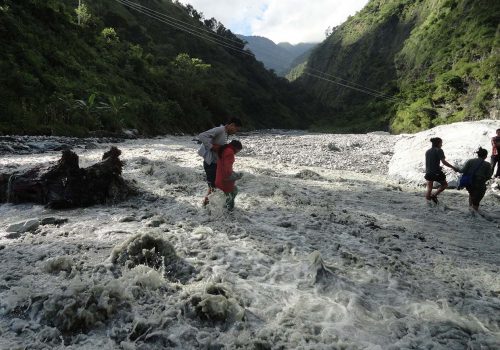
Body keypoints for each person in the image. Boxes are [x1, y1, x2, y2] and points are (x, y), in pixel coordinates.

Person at [197, 118, 242, 206]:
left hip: (215, 163)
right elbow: (201, 136)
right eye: (236, 129)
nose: (235, 132)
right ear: (231, 125)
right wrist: (211, 146)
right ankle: (205, 207)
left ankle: (210, 207)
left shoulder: (225, 133)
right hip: (210, 163)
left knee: (214, 187)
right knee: (212, 188)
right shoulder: (220, 130)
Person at [424, 137, 459, 203]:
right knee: (444, 185)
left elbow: (430, 162)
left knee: (429, 189)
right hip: (436, 173)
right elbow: (444, 162)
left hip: (428, 173)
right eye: (441, 143)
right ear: (438, 143)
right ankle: (434, 195)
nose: (441, 145)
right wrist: (453, 167)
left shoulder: (427, 151)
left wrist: (438, 166)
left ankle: (427, 204)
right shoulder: (439, 150)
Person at [460, 147, 493, 211]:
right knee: (476, 201)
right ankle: (475, 215)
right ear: (485, 156)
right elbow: (489, 176)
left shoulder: (470, 161)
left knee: (471, 193)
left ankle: (470, 208)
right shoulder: (487, 164)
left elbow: (463, 170)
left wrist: (456, 169)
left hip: (469, 183)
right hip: (480, 183)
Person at [215, 140, 243, 211]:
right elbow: (227, 168)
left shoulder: (224, 149)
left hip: (219, 177)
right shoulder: (230, 152)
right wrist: (235, 176)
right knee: (232, 194)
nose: (237, 153)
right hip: (225, 180)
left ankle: (224, 211)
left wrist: (234, 174)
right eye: (238, 151)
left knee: (231, 194)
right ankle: (229, 213)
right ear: (236, 148)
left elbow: (225, 166)